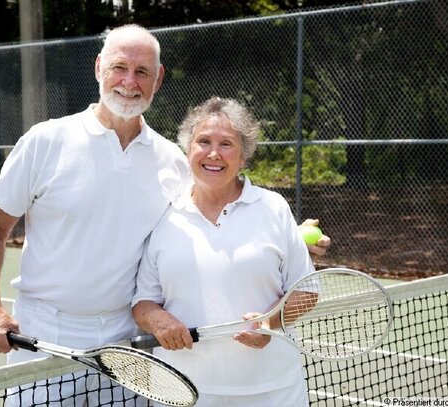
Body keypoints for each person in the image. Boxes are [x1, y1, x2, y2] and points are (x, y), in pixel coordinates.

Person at [0, 24, 330, 404]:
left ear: (158, 79)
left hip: (129, 346)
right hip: (45, 338)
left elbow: (214, 213)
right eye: (119, 67)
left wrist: (291, 233)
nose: (129, 81)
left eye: (142, 72)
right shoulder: (45, 141)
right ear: (98, 68)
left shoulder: (173, 161)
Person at [132, 97, 318, 407]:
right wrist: (158, 320)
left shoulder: (273, 209)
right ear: (188, 149)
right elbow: (142, 303)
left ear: (244, 157)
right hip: (181, 392)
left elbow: (308, 290)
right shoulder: (164, 217)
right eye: (203, 141)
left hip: (273, 392)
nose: (213, 153)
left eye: (227, 144)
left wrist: (270, 322)